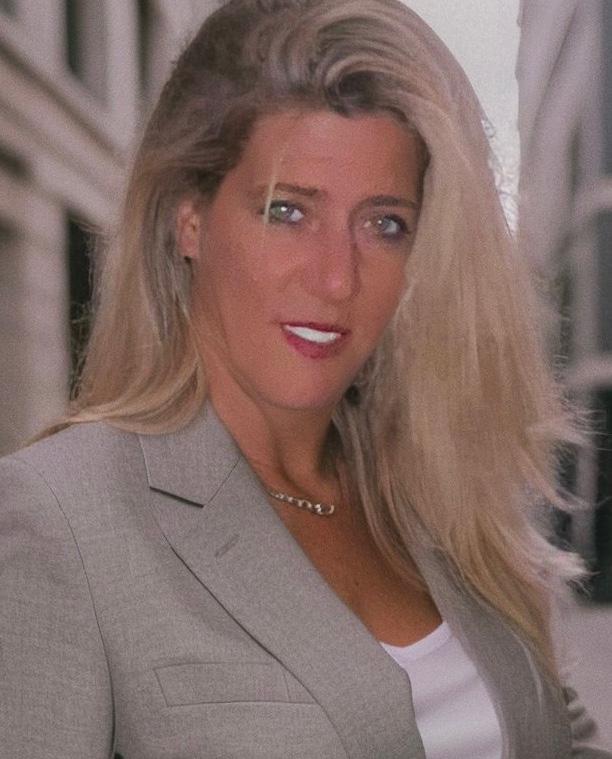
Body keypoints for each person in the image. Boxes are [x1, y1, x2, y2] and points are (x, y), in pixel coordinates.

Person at [1, 0, 610, 757]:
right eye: (287, 211)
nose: (335, 278)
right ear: (190, 219)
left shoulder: (436, 493)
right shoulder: (61, 516)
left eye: (384, 224)